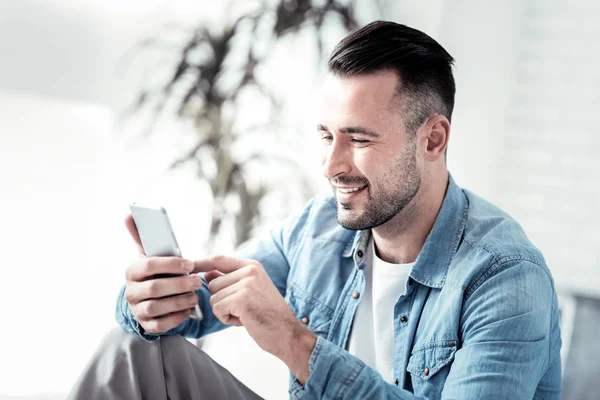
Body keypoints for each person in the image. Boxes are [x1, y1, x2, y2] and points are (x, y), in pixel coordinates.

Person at [69, 21, 562, 399]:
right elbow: (190, 313)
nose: (331, 166)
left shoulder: (506, 278)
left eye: (359, 139)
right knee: (132, 350)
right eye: (327, 136)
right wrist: (147, 301)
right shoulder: (318, 227)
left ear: (433, 139)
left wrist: (293, 340)